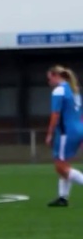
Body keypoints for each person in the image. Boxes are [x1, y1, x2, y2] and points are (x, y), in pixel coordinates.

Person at [45, 66, 83, 206]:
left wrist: (50, 133)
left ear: (56, 76)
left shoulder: (59, 90)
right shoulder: (74, 90)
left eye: (49, 78)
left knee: (60, 166)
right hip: (78, 129)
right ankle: (63, 198)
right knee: (65, 164)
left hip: (66, 132)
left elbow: (56, 114)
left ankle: (63, 197)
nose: (49, 82)